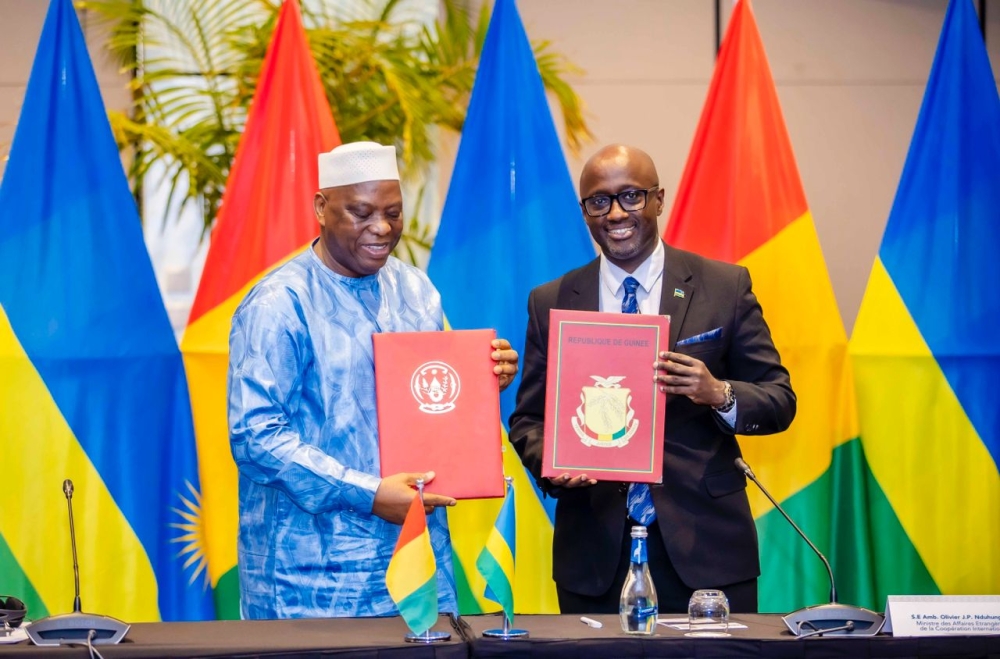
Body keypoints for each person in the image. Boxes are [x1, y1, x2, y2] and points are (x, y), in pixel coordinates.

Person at [228, 141, 519, 619]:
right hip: (310, 579)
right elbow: (255, 437)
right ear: (321, 208)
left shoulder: (416, 290)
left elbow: (429, 399)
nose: (382, 228)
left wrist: (481, 380)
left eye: (393, 213)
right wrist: (367, 492)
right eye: (361, 213)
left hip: (416, 558)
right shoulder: (279, 303)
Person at [509, 144, 795, 614]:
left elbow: (779, 399)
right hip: (595, 553)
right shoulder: (552, 300)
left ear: (659, 199)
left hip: (707, 547)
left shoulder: (724, 286)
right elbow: (528, 420)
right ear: (584, 211)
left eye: (631, 196)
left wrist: (718, 393)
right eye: (599, 201)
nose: (616, 213)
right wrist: (552, 465)